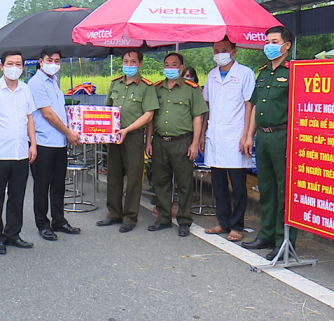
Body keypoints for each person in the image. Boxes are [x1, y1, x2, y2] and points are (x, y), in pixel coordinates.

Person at [241, 26, 298, 261]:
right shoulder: (263, 72)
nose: (269, 46)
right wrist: (249, 135)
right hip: (263, 136)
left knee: (284, 189)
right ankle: (265, 234)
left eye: (274, 41)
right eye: (267, 41)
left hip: (283, 137)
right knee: (266, 187)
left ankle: (283, 239)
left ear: (286, 46)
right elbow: (254, 107)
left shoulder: (294, 72)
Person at [0, 50, 38, 255]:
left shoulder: (26, 90)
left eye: (18, 64)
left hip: (20, 153)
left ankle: (13, 234)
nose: (14, 68)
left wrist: (33, 144)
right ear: (1, 66)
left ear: (23, 67)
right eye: (10, 64)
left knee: (17, 196)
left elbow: (29, 118)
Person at [145, 53, 208, 237]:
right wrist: (148, 141)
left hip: (182, 142)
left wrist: (195, 143)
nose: (170, 68)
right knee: (160, 181)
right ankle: (163, 218)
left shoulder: (191, 89)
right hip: (160, 141)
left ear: (181, 68)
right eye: (166, 65)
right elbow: (150, 117)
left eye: (174, 65)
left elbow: (198, 117)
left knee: (184, 183)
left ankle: (184, 220)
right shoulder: (156, 88)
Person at [96, 49, 158, 233]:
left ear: (140, 64)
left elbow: (149, 114)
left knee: (133, 179)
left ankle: (130, 217)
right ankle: (114, 213)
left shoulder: (146, 87)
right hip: (114, 136)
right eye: (125, 61)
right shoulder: (115, 84)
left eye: (132, 62)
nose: (128, 65)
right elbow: (106, 111)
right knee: (114, 175)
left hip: (133, 136)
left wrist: (128, 130)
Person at [199, 37, 255, 242]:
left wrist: (247, 135)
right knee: (218, 183)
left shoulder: (245, 74)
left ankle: (237, 225)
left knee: (238, 186)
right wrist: (204, 134)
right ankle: (223, 222)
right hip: (215, 136)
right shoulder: (212, 75)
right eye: (215, 50)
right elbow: (208, 108)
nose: (219, 54)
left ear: (234, 50)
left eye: (223, 49)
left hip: (236, 136)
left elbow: (250, 105)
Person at [28, 47, 81, 241]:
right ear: (41, 62)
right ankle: (43, 224)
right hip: (43, 142)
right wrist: (68, 132)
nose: (54, 64)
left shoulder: (54, 82)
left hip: (59, 143)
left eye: (57, 61)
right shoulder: (36, 83)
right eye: (50, 60)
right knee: (42, 185)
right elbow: (48, 114)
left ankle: (59, 220)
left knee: (58, 184)